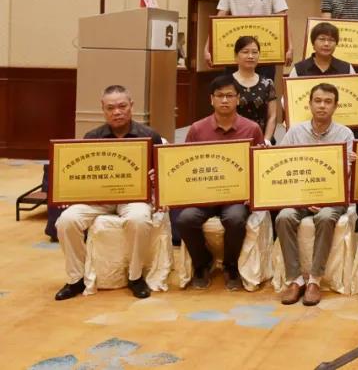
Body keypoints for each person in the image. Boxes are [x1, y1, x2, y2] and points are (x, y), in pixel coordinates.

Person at [54, 85, 164, 301]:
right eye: (111, 108)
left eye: (122, 106)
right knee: (66, 220)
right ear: (103, 109)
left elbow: (161, 175)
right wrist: (68, 194)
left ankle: (135, 277)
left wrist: (155, 178)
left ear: (131, 106)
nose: (117, 112)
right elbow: (82, 173)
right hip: (99, 199)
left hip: (133, 198)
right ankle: (76, 279)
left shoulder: (150, 136)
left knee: (139, 219)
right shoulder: (92, 136)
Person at [177, 75, 265, 291]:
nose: (224, 100)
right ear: (211, 99)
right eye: (219, 96)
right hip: (204, 195)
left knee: (235, 218)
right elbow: (185, 164)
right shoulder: (197, 129)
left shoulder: (252, 129)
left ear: (238, 99)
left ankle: (230, 264)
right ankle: (202, 263)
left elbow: (259, 166)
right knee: (186, 219)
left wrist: (252, 194)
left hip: (236, 196)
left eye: (230, 95)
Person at [274, 83, 355, 307]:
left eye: (328, 102)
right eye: (317, 101)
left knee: (326, 217)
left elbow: (345, 172)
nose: (322, 106)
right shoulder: (295, 132)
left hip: (332, 198)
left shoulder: (345, 134)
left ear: (336, 106)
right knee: (284, 217)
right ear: (309, 104)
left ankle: (314, 280)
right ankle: (295, 280)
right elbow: (281, 165)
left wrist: (323, 198)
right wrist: (303, 198)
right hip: (298, 196)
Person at [231, 36, 278, 143]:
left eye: (255, 52)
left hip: (262, 141)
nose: (250, 56)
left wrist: (266, 140)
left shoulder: (267, 83)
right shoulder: (228, 83)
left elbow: (272, 116)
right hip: (234, 140)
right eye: (245, 52)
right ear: (236, 56)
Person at [289, 22, 355, 77]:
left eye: (331, 40)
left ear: (336, 44)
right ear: (313, 43)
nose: (326, 44)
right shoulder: (299, 69)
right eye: (322, 39)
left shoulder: (347, 69)